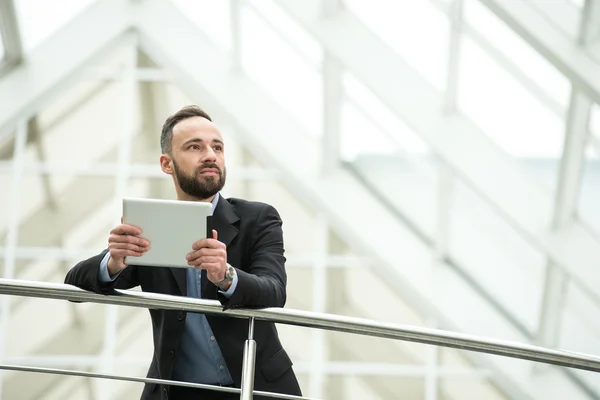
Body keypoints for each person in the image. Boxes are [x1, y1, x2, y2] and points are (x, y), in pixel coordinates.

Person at [64, 105, 302, 400]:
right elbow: (72, 286)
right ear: (167, 163)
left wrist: (225, 276)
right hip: (176, 393)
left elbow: (275, 291)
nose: (211, 155)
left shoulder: (258, 218)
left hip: (256, 389)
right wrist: (113, 262)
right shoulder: (151, 226)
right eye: (194, 147)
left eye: (218, 147)